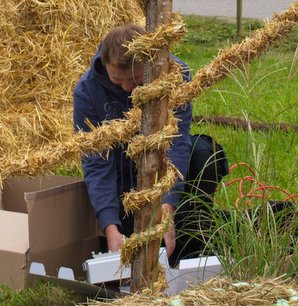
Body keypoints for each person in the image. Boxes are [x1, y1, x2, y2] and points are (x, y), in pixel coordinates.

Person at [72, 23, 227, 267]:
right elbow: (96, 164)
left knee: (205, 155)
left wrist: (167, 208)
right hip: (124, 178)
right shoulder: (86, 92)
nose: (126, 88)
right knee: (130, 241)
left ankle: (191, 234)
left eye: (135, 79)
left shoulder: (175, 74)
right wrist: (110, 227)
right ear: (105, 65)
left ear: (149, 64)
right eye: (117, 80)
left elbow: (177, 143)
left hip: (163, 165)